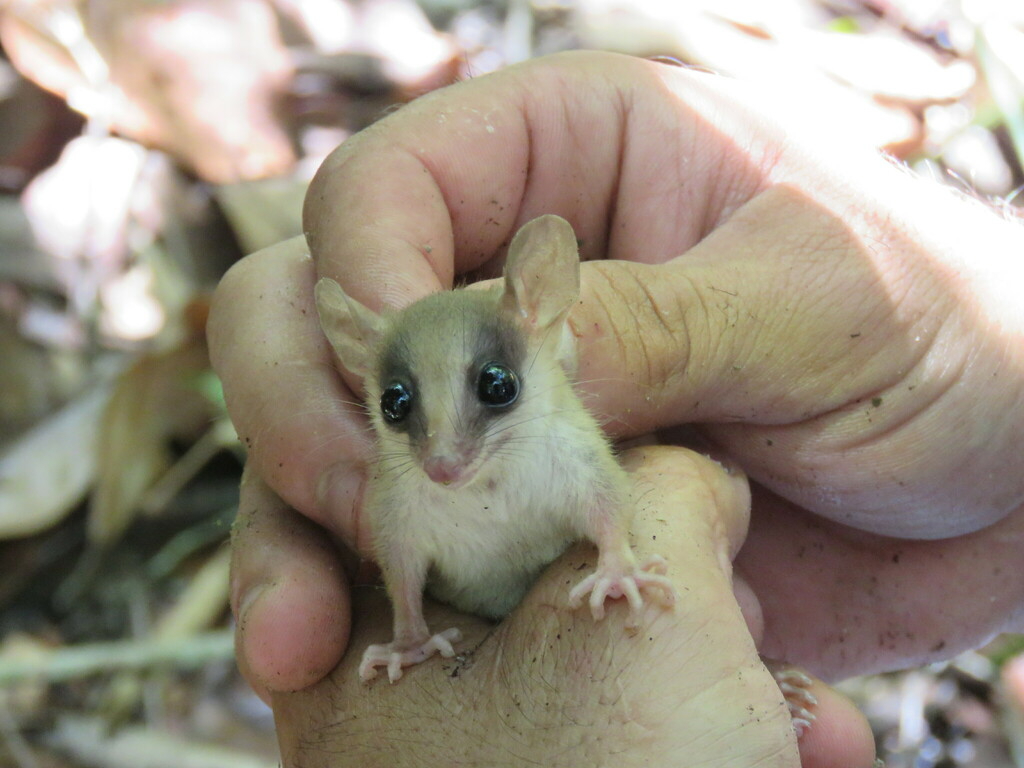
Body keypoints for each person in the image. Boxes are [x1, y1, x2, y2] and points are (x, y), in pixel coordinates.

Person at [207, 50, 1024, 767]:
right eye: (398, 406)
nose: (443, 455)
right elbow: (399, 549)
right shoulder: (397, 475)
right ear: (357, 360)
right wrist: (409, 632)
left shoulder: (562, 405)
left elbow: (599, 494)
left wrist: (618, 555)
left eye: (494, 394)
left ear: (545, 315)